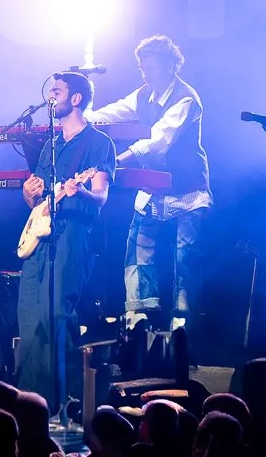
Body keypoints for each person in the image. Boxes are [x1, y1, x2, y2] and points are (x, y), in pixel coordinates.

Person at [84, 35, 211, 331]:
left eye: (150, 68)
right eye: (142, 68)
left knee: (185, 256)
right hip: (153, 188)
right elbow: (114, 111)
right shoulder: (144, 94)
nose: (144, 74)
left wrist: (121, 159)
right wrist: (84, 119)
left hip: (187, 191)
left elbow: (159, 141)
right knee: (138, 249)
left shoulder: (186, 99)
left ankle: (184, 320)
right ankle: (139, 317)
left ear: (169, 65)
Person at [16, 71, 114, 412]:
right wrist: (29, 194)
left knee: (58, 313)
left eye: (57, 91)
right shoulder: (50, 145)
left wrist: (82, 190)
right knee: (30, 313)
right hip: (42, 234)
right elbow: (39, 200)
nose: (51, 97)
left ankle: (64, 398)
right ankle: (30, 402)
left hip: (73, 234)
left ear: (76, 98)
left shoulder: (99, 143)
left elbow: (100, 196)